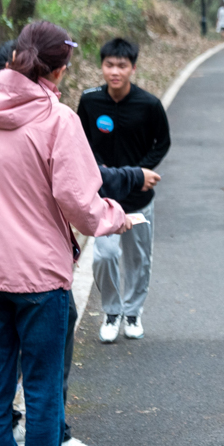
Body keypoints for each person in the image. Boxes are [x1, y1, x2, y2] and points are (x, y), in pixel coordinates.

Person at [0, 22, 132, 446]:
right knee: (42, 396)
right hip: (38, 279)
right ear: (57, 69)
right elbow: (80, 201)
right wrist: (114, 217)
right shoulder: (59, 119)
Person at [77, 38, 171, 344]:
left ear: (133, 68)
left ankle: (133, 313)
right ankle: (111, 312)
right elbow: (81, 142)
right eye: (109, 65)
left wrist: (142, 173)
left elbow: (162, 142)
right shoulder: (90, 101)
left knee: (137, 259)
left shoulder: (149, 105)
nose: (115, 71)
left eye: (121, 65)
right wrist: (98, 171)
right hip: (104, 197)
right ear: (102, 66)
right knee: (104, 257)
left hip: (139, 199)